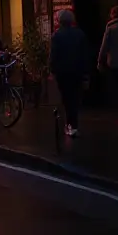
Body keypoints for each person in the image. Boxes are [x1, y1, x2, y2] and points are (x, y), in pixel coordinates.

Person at [50, 9, 90, 138]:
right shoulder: (80, 34)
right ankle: (73, 124)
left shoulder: (57, 36)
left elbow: (53, 55)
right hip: (77, 70)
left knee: (67, 98)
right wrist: (85, 71)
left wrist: (52, 70)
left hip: (63, 72)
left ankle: (70, 124)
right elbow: (85, 54)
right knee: (75, 97)